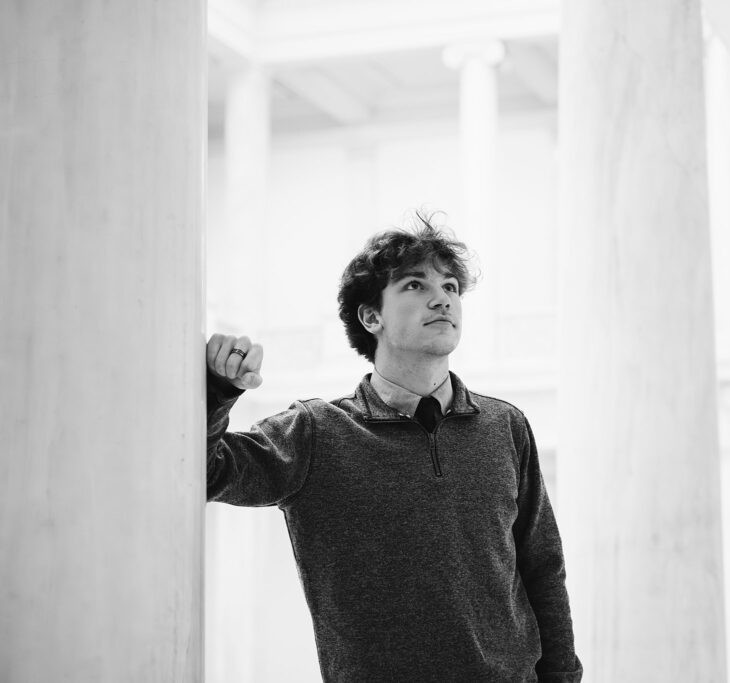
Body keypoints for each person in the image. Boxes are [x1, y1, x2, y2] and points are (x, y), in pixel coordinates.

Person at [205, 213, 583, 682]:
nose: (442, 298)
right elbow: (207, 471)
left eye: (450, 287)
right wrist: (216, 391)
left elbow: (542, 567)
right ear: (371, 316)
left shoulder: (505, 427)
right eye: (414, 286)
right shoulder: (315, 432)